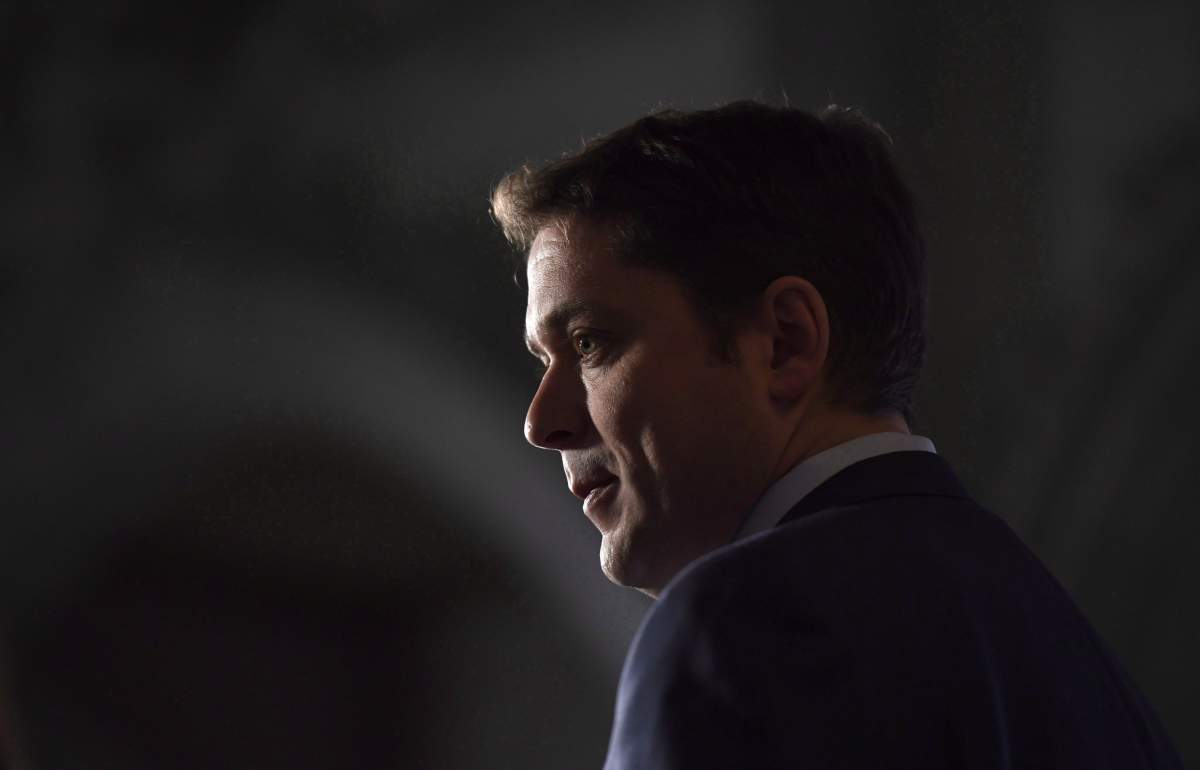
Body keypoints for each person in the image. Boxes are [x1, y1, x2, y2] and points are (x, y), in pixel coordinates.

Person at [490, 101, 1183, 769]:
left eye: (590, 343)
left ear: (785, 342)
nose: (541, 423)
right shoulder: (1077, 661)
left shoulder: (737, 629)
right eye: (542, 361)